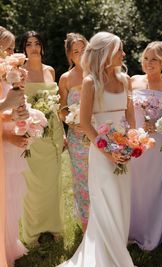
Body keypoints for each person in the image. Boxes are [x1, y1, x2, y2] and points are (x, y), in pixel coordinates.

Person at [13, 31, 162, 267]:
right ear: (106, 53)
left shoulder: (124, 79)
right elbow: (85, 123)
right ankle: (105, 262)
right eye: (119, 50)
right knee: (105, 205)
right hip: (102, 152)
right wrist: (107, 150)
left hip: (124, 151)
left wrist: (133, 141)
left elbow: (130, 118)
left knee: (121, 204)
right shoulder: (90, 82)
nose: (123, 55)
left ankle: (118, 255)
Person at [128, 41, 162, 250]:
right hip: (135, 140)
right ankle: (131, 231)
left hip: (157, 145)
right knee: (133, 186)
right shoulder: (133, 81)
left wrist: (157, 125)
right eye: (146, 58)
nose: (148, 63)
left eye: (154, 59)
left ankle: (153, 232)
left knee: (154, 187)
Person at [20, 31, 65, 246]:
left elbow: (55, 106)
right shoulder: (19, 72)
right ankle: (32, 233)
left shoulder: (50, 71)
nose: (34, 48)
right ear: (24, 48)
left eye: (37, 43)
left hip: (52, 135)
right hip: (30, 135)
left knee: (51, 184)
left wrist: (63, 132)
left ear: (43, 47)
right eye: (29, 44)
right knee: (32, 185)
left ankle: (54, 227)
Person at [0, 26, 29, 267]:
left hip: (4, 148)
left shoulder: (6, 76)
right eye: (5, 48)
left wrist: (21, 117)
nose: (10, 54)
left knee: (7, 203)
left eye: (10, 49)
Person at [59, 33, 89, 233]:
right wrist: (71, 121)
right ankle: (87, 223)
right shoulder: (66, 78)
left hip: (98, 135)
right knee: (81, 181)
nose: (80, 54)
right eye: (75, 52)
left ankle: (105, 220)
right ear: (70, 55)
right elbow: (61, 109)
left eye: (83, 50)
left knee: (100, 179)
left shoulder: (98, 73)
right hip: (77, 138)